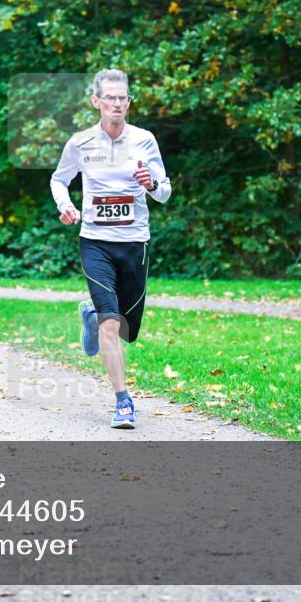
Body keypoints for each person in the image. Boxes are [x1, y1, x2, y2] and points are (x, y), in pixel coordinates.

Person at [49, 69, 172, 429]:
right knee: (110, 322)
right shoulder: (81, 143)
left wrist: (151, 183)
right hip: (96, 242)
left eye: (123, 98)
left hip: (135, 243)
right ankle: (123, 403)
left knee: (126, 330)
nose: (117, 103)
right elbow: (59, 179)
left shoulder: (145, 140)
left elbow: (164, 191)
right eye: (111, 98)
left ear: (128, 102)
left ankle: (90, 315)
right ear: (97, 102)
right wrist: (65, 206)